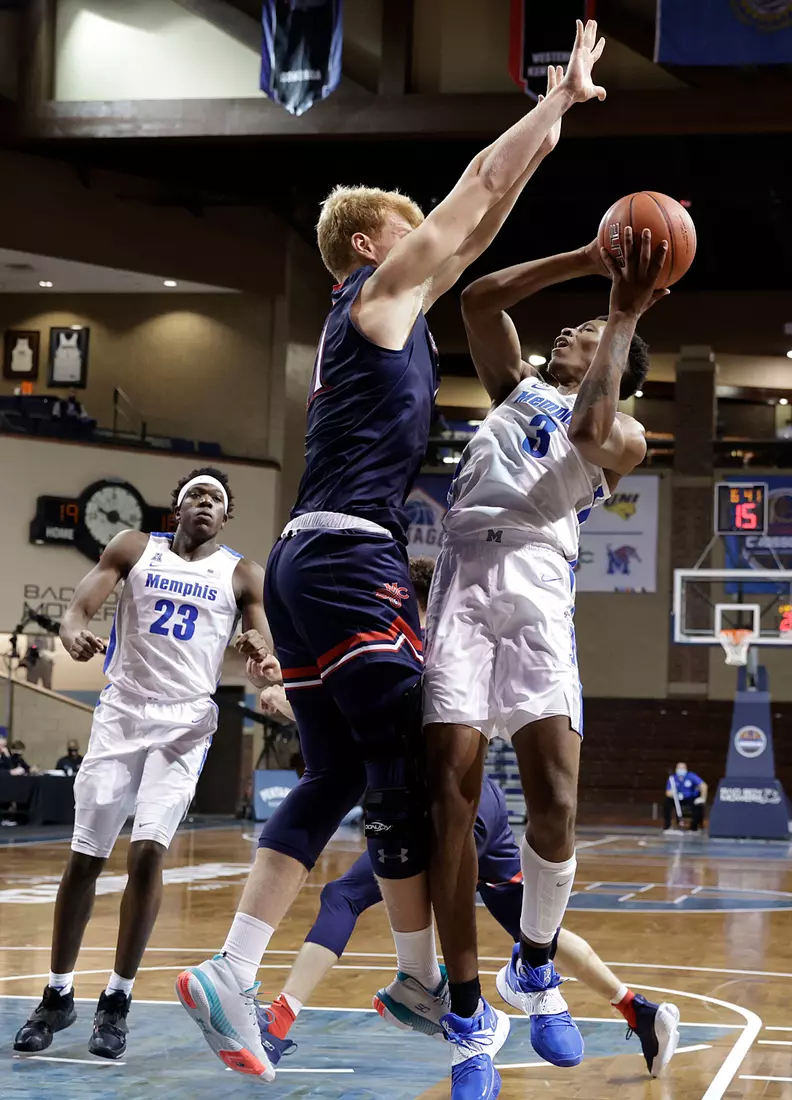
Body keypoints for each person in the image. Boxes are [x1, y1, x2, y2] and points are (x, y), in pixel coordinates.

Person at [177, 22, 608, 1090]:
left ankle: (239, 963)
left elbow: (478, 219)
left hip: (303, 558)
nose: (433, 235)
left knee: (334, 766)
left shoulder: (385, 316)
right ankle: (421, 975)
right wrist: (551, 105)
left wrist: (549, 144)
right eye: (408, 227)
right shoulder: (371, 299)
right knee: (415, 758)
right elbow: (474, 186)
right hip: (348, 559)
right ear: (372, 244)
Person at [256, 560, 679, 1080]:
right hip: (483, 802)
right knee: (527, 924)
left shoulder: (412, 647)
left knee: (342, 895)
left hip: (449, 802)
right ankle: (636, 1008)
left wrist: (293, 697)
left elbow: (370, 718)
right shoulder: (450, 643)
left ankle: (276, 1023)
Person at [422, 222, 669, 1087]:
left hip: (536, 580)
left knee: (555, 796)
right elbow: (479, 300)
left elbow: (595, 421)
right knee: (448, 800)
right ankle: (464, 1015)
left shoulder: (626, 434)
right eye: (570, 325)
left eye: (587, 329)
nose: (568, 328)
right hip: (461, 577)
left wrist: (623, 311)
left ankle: (535, 959)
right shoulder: (512, 388)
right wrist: (584, 263)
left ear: (621, 354)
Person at [13, 467, 269, 1061]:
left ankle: (118, 999)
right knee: (85, 856)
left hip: (184, 724)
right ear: (174, 511)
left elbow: (265, 640)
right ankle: (57, 994)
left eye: (216, 499)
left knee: (149, 850)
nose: (205, 503)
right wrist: (74, 629)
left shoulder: (241, 573)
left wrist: (264, 653)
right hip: (122, 713)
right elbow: (80, 606)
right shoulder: (134, 547)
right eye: (194, 496)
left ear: (226, 518)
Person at [664, 762, 707, 833]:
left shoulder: (691, 776)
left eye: (683, 768)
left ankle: (694, 827)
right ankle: (667, 826)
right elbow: (667, 792)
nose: (681, 770)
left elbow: (704, 786)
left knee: (697, 805)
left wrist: (703, 798)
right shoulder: (672, 778)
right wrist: (672, 793)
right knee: (667, 803)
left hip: (690, 798)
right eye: (679, 768)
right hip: (677, 799)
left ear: (686, 769)